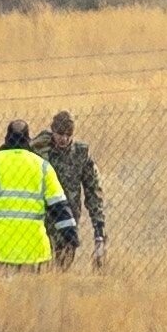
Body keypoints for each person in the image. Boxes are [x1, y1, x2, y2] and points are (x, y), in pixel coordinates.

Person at [0, 118, 74, 271]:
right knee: (29, 293)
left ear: (6, 139)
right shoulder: (43, 167)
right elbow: (59, 207)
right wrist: (70, 237)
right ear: (28, 140)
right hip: (33, 249)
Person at [32, 109, 106, 266]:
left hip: (68, 222)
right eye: (60, 134)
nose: (64, 139)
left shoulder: (80, 154)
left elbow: (93, 191)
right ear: (53, 131)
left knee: (63, 267)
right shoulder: (40, 151)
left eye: (68, 134)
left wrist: (98, 228)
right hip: (41, 220)